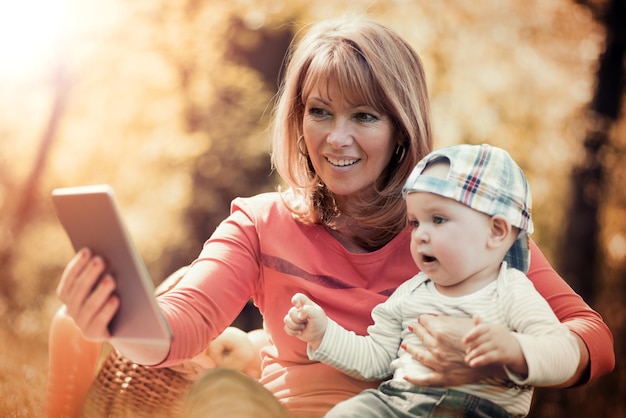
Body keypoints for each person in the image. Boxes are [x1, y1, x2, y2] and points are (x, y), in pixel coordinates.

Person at [56, 16, 614, 418]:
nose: (336, 137)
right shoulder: (259, 223)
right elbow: (182, 323)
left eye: (364, 116)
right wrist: (120, 323)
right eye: (319, 112)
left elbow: (593, 338)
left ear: (402, 127)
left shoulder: (468, 230)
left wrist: (518, 354)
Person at [284, 143, 580, 417]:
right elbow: (374, 358)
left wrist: (516, 350)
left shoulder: (511, 291)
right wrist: (323, 334)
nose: (420, 234)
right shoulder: (410, 293)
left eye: (438, 219)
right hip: (398, 404)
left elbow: (565, 352)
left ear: (497, 231)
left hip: (479, 410)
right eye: (415, 222)